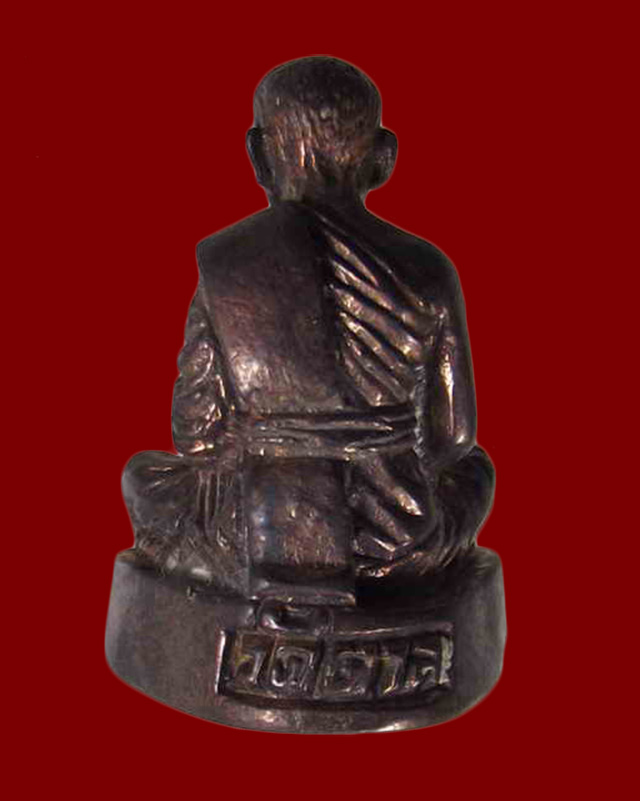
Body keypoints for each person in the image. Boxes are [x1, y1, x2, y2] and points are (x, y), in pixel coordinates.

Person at [122, 56, 495, 604]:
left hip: (252, 533)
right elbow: (453, 438)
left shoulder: (230, 262)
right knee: (477, 472)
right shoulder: (427, 268)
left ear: (257, 154)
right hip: (396, 543)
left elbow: (195, 436)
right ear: (383, 156)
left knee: (144, 476)